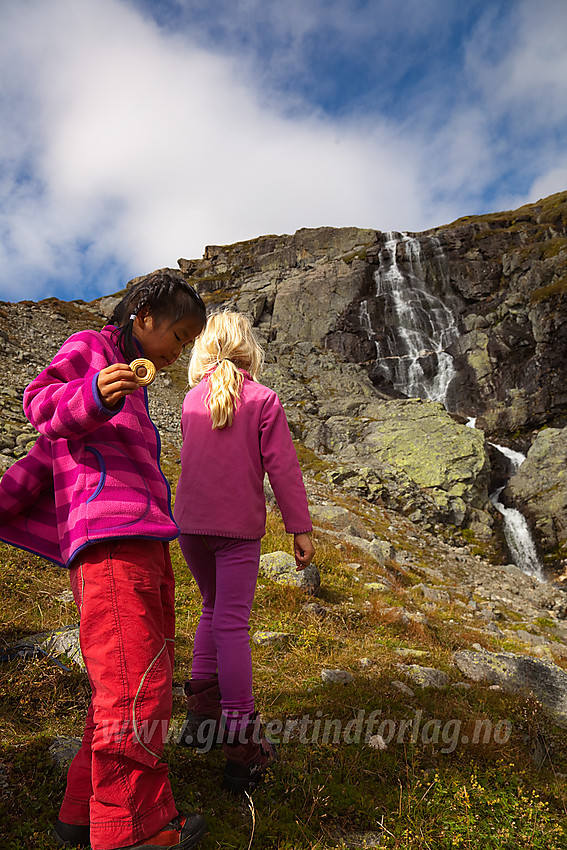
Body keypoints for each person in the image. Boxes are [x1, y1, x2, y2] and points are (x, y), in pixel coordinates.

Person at [0, 271, 208, 849]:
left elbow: (49, 453)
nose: (181, 351)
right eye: (180, 335)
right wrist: (93, 393)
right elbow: (39, 403)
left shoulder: (131, 387)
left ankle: (81, 812)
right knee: (137, 686)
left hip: (143, 539)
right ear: (143, 316)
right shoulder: (92, 350)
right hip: (112, 542)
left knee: (130, 679)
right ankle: (133, 832)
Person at [173, 310, 315, 794]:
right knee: (232, 623)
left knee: (211, 609)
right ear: (247, 348)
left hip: (190, 528)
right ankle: (242, 743)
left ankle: (199, 717)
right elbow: (283, 468)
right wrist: (300, 528)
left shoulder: (192, 398)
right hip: (236, 531)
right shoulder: (263, 399)